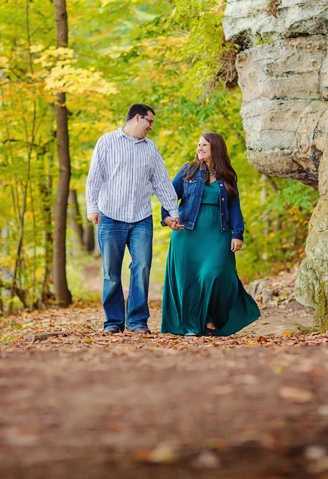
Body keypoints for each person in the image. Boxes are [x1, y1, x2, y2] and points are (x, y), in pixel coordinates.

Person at [86, 104, 181, 334]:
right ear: (137, 118)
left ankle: (137, 321)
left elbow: (162, 182)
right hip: (110, 217)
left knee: (142, 267)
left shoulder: (150, 149)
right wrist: (92, 207)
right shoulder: (107, 142)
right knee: (111, 272)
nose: (151, 127)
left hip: (141, 218)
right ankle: (113, 323)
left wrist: (173, 212)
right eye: (150, 122)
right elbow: (94, 177)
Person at [160, 132, 260, 336]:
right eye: (198, 145)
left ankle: (212, 318)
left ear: (215, 147)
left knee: (214, 274)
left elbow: (234, 207)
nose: (199, 148)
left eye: (204, 145)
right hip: (187, 234)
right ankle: (195, 325)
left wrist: (237, 234)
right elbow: (169, 196)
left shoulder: (228, 176)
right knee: (189, 281)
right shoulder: (188, 170)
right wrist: (167, 218)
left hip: (218, 233)